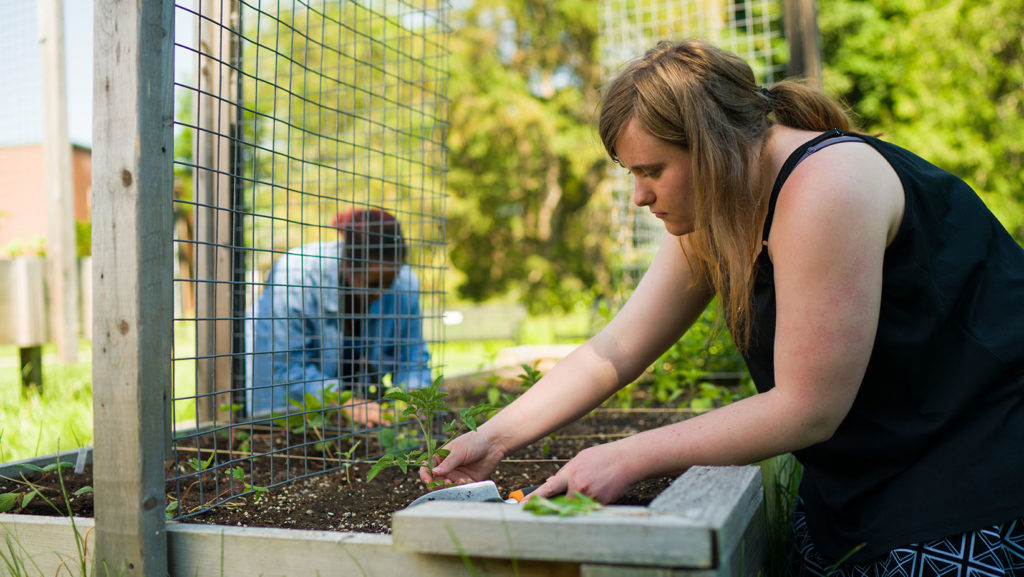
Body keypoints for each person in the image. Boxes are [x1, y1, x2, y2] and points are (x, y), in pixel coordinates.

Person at [422, 39, 1024, 575]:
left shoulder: (829, 185)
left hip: (975, 484)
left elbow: (808, 408)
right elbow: (616, 350)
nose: (638, 196)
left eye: (652, 170)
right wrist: (493, 438)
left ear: (712, 148)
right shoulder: (721, 210)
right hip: (864, 490)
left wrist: (623, 456)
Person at [246, 208, 431, 425]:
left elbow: (412, 356)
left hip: (356, 407)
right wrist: (343, 402)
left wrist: (413, 396)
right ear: (348, 265)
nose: (380, 294)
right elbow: (286, 366)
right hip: (282, 405)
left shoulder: (406, 284)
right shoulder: (296, 274)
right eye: (372, 284)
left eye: (388, 283)